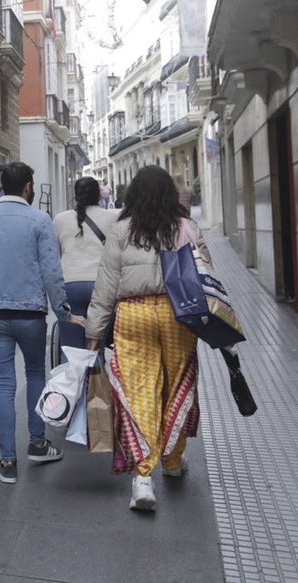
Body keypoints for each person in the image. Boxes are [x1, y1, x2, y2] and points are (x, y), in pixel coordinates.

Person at [85, 165, 209, 512]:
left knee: (140, 389)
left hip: (133, 315)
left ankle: (143, 478)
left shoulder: (121, 230)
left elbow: (105, 285)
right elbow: (207, 277)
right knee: (176, 386)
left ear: (134, 196)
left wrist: (94, 333)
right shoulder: (187, 227)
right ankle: (171, 460)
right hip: (177, 315)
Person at [0, 162, 76, 485]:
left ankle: (8, 461)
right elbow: (52, 273)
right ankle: (38, 443)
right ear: (29, 186)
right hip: (31, 315)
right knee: (35, 373)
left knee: (5, 382)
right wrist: (63, 312)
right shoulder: (40, 221)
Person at [53, 177, 119, 352]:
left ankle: (73, 378)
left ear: (75, 195)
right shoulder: (112, 218)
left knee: (71, 350)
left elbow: (54, 256)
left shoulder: (60, 220)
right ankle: (95, 377)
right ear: (98, 195)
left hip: (69, 284)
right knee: (95, 346)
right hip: (99, 286)